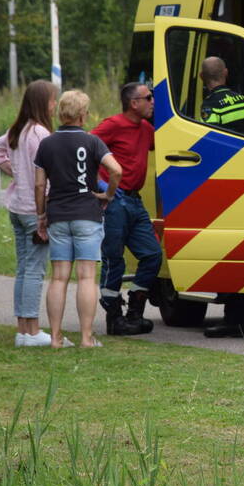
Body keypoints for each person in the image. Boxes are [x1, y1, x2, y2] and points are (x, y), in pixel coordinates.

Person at [34, 90, 122, 348]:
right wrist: (107, 194)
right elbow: (116, 169)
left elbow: (40, 186)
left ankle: (56, 337)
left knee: (59, 277)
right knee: (86, 277)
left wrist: (41, 216)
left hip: (58, 215)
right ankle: (86, 337)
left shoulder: (47, 144)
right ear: (83, 114)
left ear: (61, 112)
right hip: (87, 214)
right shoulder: (93, 142)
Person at [0, 80, 58, 346]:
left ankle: (22, 329)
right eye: (52, 100)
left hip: (17, 206)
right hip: (34, 209)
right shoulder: (41, 134)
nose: (55, 105)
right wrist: (45, 212)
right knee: (35, 270)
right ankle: (33, 329)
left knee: (23, 267)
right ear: (42, 103)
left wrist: (15, 172)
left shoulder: (18, 130)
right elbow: (46, 177)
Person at [91, 82, 162, 335]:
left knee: (153, 254)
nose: (153, 101)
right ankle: (114, 318)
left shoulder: (145, 128)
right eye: (149, 97)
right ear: (134, 103)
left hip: (135, 201)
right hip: (114, 202)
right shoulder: (112, 125)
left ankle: (134, 313)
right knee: (114, 259)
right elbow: (84, 150)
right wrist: (100, 183)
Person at [199, 57, 244, 338]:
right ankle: (243, 316)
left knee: (227, 254)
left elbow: (210, 139)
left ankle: (235, 318)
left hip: (223, 180)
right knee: (243, 251)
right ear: (226, 73)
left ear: (201, 78)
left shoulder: (210, 105)